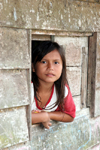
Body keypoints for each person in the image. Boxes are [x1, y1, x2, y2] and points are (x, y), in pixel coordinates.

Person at [31, 41, 76, 129]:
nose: (50, 67)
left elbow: (70, 115)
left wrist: (47, 115)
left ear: (62, 68)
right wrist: (42, 117)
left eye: (56, 63)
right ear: (33, 67)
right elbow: (15, 117)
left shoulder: (62, 89)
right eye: (44, 62)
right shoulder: (27, 89)